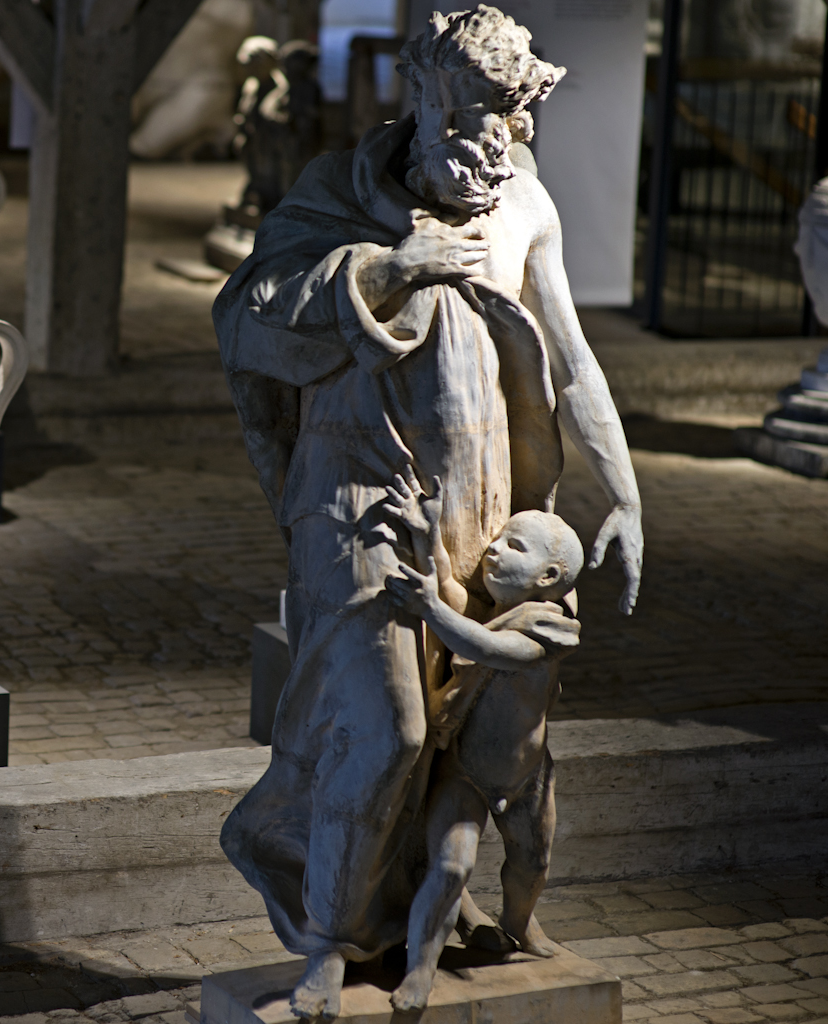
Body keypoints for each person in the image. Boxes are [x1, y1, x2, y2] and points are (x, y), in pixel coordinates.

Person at [213, 7, 643, 1019]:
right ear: (419, 102)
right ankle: (327, 939)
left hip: (484, 510)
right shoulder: (339, 193)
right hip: (359, 498)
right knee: (390, 735)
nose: (476, 145)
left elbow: (571, 359)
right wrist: (394, 265)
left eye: (496, 123)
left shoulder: (524, 206)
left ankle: (414, 912)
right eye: (455, 119)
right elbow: (250, 311)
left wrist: (623, 492)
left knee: (455, 737)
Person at [381, 471, 580, 1011]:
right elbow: (449, 589)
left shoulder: (548, 630)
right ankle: (420, 970)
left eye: (514, 547)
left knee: (531, 865)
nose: (493, 548)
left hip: (527, 779)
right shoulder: (490, 612)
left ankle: (519, 925)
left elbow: (492, 650)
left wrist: (431, 609)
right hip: (466, 770)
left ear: (548, 577)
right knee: (450, 867)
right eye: (499, 538)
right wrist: (428, 535)